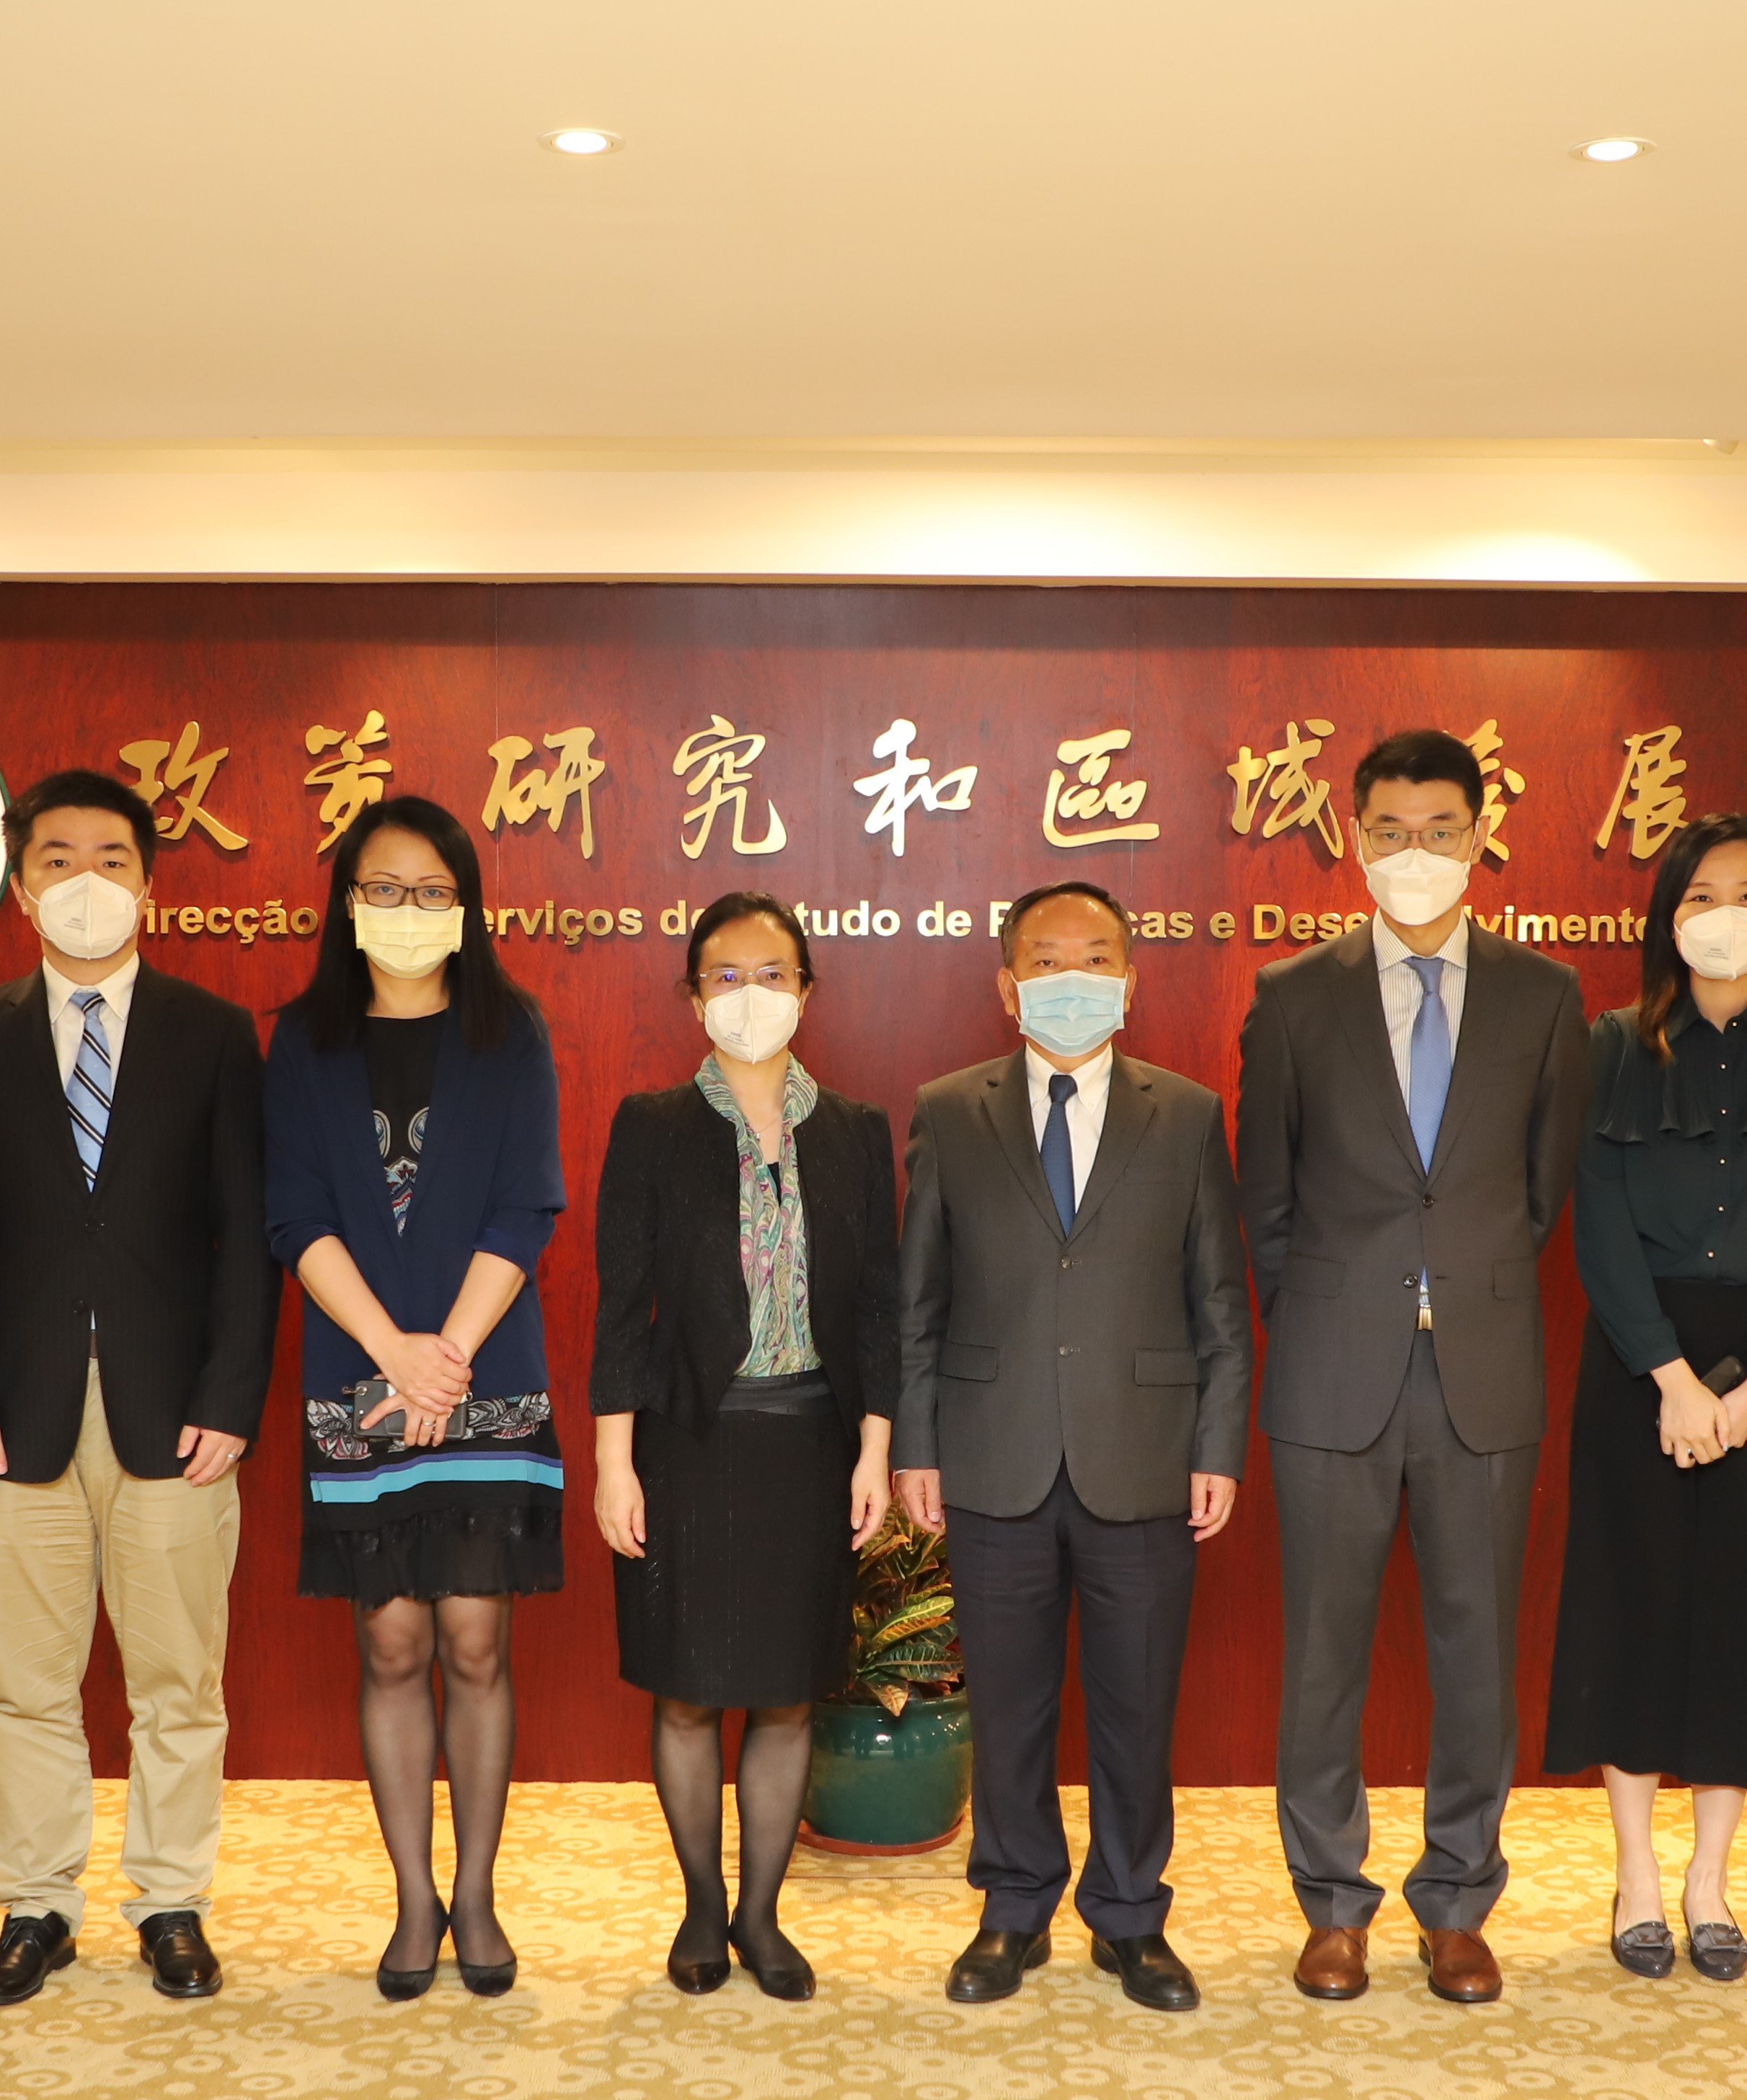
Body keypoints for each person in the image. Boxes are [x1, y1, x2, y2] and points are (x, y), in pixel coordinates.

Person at [1236, 728, 1591, 2006]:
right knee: (1321, 1655)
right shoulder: (1294, 996)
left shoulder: (1546, 997)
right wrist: (1336, 1313)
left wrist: (1457, 1289)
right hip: (1331, 1369)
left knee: (1477, 1652)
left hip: (1481, 1371)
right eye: (1390, 832)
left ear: (1481, 837)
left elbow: (1542, 1191)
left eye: (1441, 831)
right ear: (1356, 838)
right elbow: (1266, 1197)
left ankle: (1457, 1903)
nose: (1416, 853)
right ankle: (1331, 1905)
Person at [0, 767, 271, 2014]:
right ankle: (37, 1908)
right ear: (21, 890)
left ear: (149, 887)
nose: (85, 881)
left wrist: (232, 1398)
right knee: (25, 1683)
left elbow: (247, 1234)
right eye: (57, 860)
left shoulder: (213, 1034)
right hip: (15, 1418)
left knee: (179, 1682)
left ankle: (171, 1902)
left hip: (179, 1418)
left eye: (111, 859)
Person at [892, 880, 1255, 2013]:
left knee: (1138, 1707)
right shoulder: (950, 1111)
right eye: (1046, 961)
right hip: (991, 1452)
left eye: (1095, 957)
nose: (1071, 978)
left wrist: (1219, 1447)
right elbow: (919, 1301)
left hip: (1144, 1456)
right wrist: (916, 1446)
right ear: (1008, 988)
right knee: (1009, 1706)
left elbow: (1220, 1302)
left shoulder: (1186, 1114)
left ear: (1130, 981)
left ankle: (1132, 1918)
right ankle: (1012, 1910)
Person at [264, 795, 567, 2002]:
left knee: (476, 1638)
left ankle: (477, 1897)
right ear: (348, 903)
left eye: (432, 892)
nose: (407, 910)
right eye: (384, 890)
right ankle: (412, 1902)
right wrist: (395, 1352)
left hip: (488, 1368)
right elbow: (294, 1213)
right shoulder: (305, 1040)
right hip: (358, 1369)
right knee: (391, 1638)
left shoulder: (512, 1031)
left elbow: (526, 1206)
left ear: (466, 907)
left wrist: (446, 1356)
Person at [1546, 812, 1747, 1988]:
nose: (1728, 916)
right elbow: (1598, 1221)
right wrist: (1671, 1377)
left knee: (1742, 1617)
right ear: (1669, 919)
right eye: (1702, 896)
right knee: (1631, 1609)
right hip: (1642, 1362)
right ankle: (1635, 1875)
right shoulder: (1612, 1044)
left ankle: (1709, 1883)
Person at [589, 892, 901, 2001]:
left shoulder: (857, 1131)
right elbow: (621, 1307)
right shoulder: (652, 1125)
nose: (750, 995)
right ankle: (700, 1907)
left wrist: (874, 1452)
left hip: (813, 1439)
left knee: (786, 1694)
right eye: (726, 975)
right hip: (687, 1441)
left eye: (772, 973)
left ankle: (762, 1916)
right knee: (686, 1693)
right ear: (693, 996)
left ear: (807, 989)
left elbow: (880, 1309)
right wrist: (614, 1463)